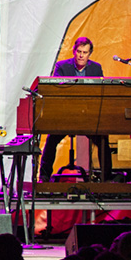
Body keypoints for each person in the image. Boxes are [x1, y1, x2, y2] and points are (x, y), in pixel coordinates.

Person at [38, 36, 107, 182]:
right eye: (79, 52)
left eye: (85, 52)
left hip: (87, 116)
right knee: (51, 140)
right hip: (66, 115)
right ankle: (44, 177)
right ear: (74, 51)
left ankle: (107, 179)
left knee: (102, 140)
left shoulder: (96, 68)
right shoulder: (62, 66)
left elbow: (101, 92)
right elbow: (56, 90)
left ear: (90, 54)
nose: (82, 55)